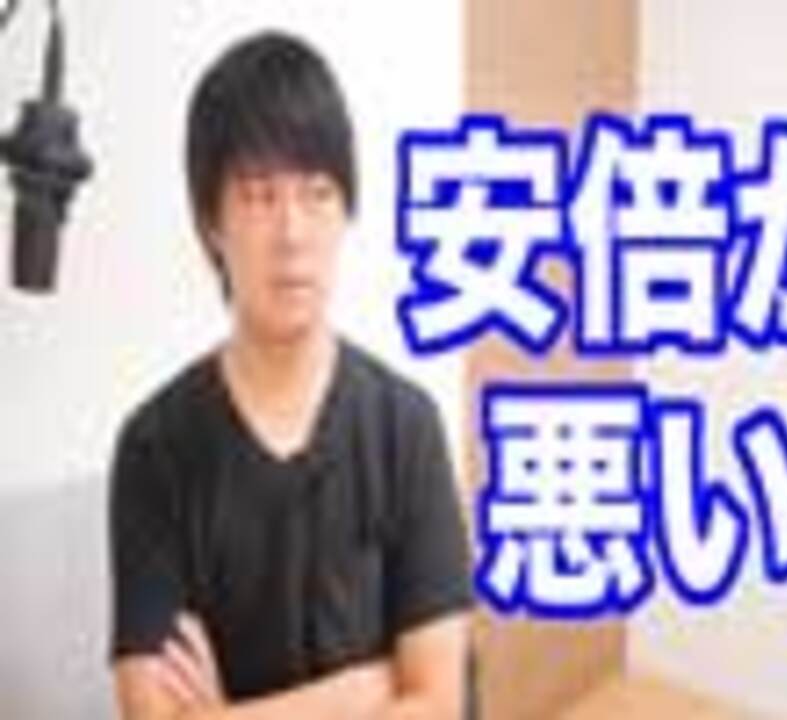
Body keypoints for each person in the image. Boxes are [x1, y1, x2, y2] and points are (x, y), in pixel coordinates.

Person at [108, 29, 472, 720]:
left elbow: (439, 701)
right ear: (211, 223)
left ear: (347, 211)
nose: (293, 233)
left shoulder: (405, 425)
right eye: (258, 196)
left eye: (318, 193)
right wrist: (365, 690)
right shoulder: (156, 448)